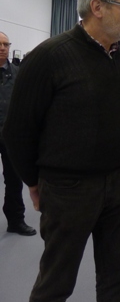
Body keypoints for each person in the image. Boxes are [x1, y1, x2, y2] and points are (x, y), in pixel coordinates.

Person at [2, 0, 120, 301]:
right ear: (98, 8)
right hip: (68, 189)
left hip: (119, 183)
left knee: (116, 278)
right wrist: (35, 182)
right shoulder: (49, 56)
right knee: (56, 281)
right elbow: (18, 130)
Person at [0, 32, 36, 237]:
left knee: (14, 180)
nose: (3, 47)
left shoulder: (18, 73)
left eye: (6, 44)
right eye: (0, 44)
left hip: (10, 136)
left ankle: (15, 220)